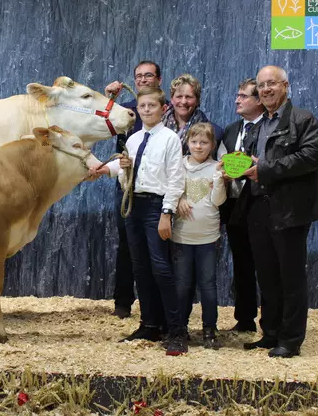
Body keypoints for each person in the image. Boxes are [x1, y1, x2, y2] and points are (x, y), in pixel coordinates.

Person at [235, 65, 318, 358]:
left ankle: (290, 339)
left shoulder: (303, 119)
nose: (266, 89)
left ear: (285, 85)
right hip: (258, 208)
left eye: (271, 83)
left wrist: (266, 168)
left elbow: (313, 156)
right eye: (261, 85)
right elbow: (250, 161)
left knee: (291, 278)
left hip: (290, 209)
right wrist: (231, 168)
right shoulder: (259, 125)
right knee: (268, 276)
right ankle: (270, 333)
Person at [95, 87, 187, 355]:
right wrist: (111, 169)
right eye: (142, 107)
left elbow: (175, 178)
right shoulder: (134, 140)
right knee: (140, 266)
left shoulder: (170, 139)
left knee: (161, 267)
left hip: (156, 206)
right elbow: (126, 171)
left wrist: (166, 213)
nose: (146, 110)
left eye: (151, 106)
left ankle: (176, 330)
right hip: (133, 203)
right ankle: (149, 323)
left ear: (163, 109)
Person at [104, 61, 166, 319]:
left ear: (159, 80)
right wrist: (110, 99)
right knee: (127, 243)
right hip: (127, 186)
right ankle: (123, 301)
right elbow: (102, 125)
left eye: (148, 75)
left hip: (156, 190)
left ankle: (157, 305)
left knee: (157, 248)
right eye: (138, 76)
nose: (142, 79)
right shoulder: (124, 109)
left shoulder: (166, 112)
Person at [172, 123, 226, 349]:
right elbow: (170, 190)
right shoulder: (178, 166)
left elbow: (218, 201)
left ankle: (209, 329)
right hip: (182, 236)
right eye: (194, 141)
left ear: (212, 145)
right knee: (182, 285)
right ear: (187, 143)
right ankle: (180, 328)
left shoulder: (216, 168)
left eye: (204, 142)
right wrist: (179, 200)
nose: (198, 146)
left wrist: (220, 181)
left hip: (208, 237)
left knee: (208, 285)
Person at [216, 78, 265, 333]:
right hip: (235, 205)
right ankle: (244, 320)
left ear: (258, 101)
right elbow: (223, 161)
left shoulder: (269, 128)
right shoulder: (231, 129)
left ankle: (270, 322)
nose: (238, 99)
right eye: (238, 95)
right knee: (242, 264)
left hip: (261, 203)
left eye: (244, 96)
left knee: (266, 264)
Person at [163, 74, 223, 155]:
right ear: (172, 99)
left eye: (188, 97)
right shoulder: (157, 125)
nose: (183, 102)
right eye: (179, 96)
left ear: (197, 101)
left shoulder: (214, 132)